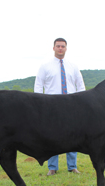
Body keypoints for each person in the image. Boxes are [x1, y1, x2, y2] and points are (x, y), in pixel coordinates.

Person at [34, 38, 86, 176]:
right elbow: (38, 85)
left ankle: (72, 166)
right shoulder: (45, 66)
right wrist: (39, 104)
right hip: (51, 105)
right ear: (53, 48)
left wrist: (81, 103)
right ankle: (52, 167)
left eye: (63, 46)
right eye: (58, 46)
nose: (60, 48)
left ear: (66, 48)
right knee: (52, 136)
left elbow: (80, 85)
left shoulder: (73, 66)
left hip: (71, 105)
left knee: (73, 135)